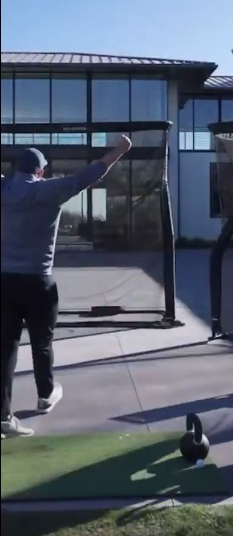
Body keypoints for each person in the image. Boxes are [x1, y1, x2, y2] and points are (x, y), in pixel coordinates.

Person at [1, 136, 132, 439]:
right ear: (41, 172)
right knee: (41, 343)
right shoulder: (50, 190)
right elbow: (90, 174)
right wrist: (121, 150)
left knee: (5, 348)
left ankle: (3, 417)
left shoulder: (4, 188)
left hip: (4, 283)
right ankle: (45, 394)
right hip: (38, 283)